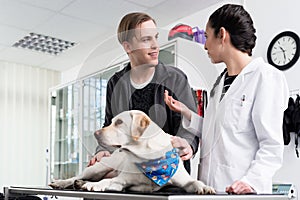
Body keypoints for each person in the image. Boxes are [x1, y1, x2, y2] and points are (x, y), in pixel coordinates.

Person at [164, 4, 289, 194]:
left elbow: (271, 145)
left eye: (207, 37)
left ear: (222, 34)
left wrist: (250, 181)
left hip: (242, 190)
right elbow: (218, 133)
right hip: (209, 188)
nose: (205, 45)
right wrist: (186, 112)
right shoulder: (221, 82)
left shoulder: (265, 77)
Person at [88, 12, 199, 174]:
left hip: (167, 175)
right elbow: (110, 126)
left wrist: (188, 144)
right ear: (128, 47)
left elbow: (190, 124)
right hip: (130, 176)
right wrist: (102, 150)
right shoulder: (115, 83)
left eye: (155, 37)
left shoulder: (175, 78)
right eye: (146, 39)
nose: (155, 45)